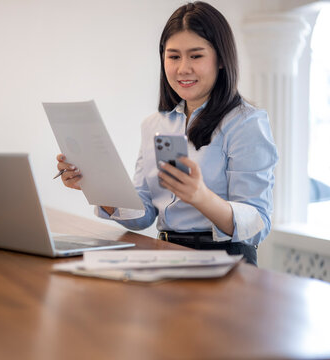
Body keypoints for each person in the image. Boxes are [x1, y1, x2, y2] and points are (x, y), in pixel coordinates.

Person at [55, 1, 278, 266]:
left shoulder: (245, 123)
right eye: (173, 57)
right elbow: (144, 214)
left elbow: (258, 223)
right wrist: (96, 185)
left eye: (196, 56)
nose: (183, 68)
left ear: (221, 59)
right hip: (166, 254)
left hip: (226, 260)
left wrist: (201, 197)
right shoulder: (155, 125)